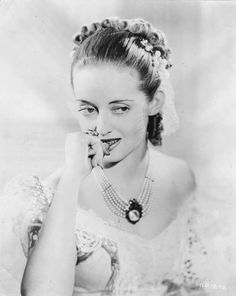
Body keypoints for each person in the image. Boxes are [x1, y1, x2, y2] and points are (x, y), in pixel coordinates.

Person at [0, 17, 234, 296]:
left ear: (154, 102)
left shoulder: (180, 177)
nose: (100, 128)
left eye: (119, 108)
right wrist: (72, 178)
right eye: (88, 109)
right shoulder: (49, 195)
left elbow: (197, 283)